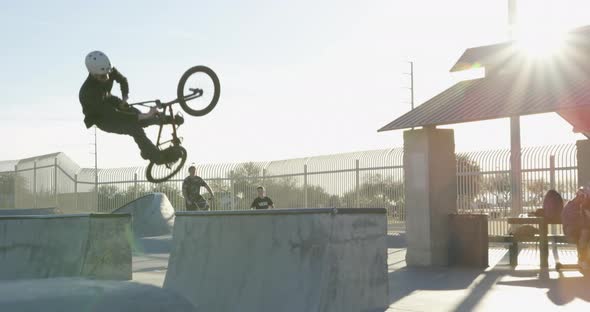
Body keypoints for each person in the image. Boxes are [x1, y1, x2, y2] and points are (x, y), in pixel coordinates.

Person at [78, 51, 183, 164]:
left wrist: (124, 98)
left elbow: (123, 80)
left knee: (139, 116)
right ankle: (157, 157)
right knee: (134, 127)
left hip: (110, 102)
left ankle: (165, 122)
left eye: (109, 74)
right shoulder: (88, 93)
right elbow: (115, 115)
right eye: (103, 76)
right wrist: (146, 115)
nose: (107, 78)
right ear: (93, 74)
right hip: (103, 119)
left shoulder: (106, 69)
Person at [561, 185, 590, 269]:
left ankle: (585, 259)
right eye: (585, 198)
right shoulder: (571, 206)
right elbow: (578, 223)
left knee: (586, 232)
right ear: (579, 197)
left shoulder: (583, 206)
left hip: (581, 230)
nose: (587, 200)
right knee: (585, 232)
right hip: (571, 230)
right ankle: (582, 259)